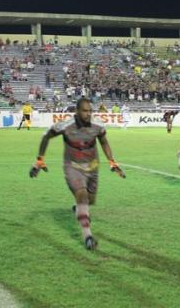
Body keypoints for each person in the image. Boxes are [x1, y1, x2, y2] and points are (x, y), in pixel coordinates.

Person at [29, 98, 126, 250]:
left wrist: (112, 162)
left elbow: (104, 142)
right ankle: (88, 236)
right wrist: (40, 160)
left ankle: (78, 207)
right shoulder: (65, 126)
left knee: (90, 201)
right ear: (77, 111)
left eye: (90, 111)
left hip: (92, 167)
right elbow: (46, 136)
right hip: (72, 166)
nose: (88, 114)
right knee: (81, 194)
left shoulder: (98, 126)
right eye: (85, 111)